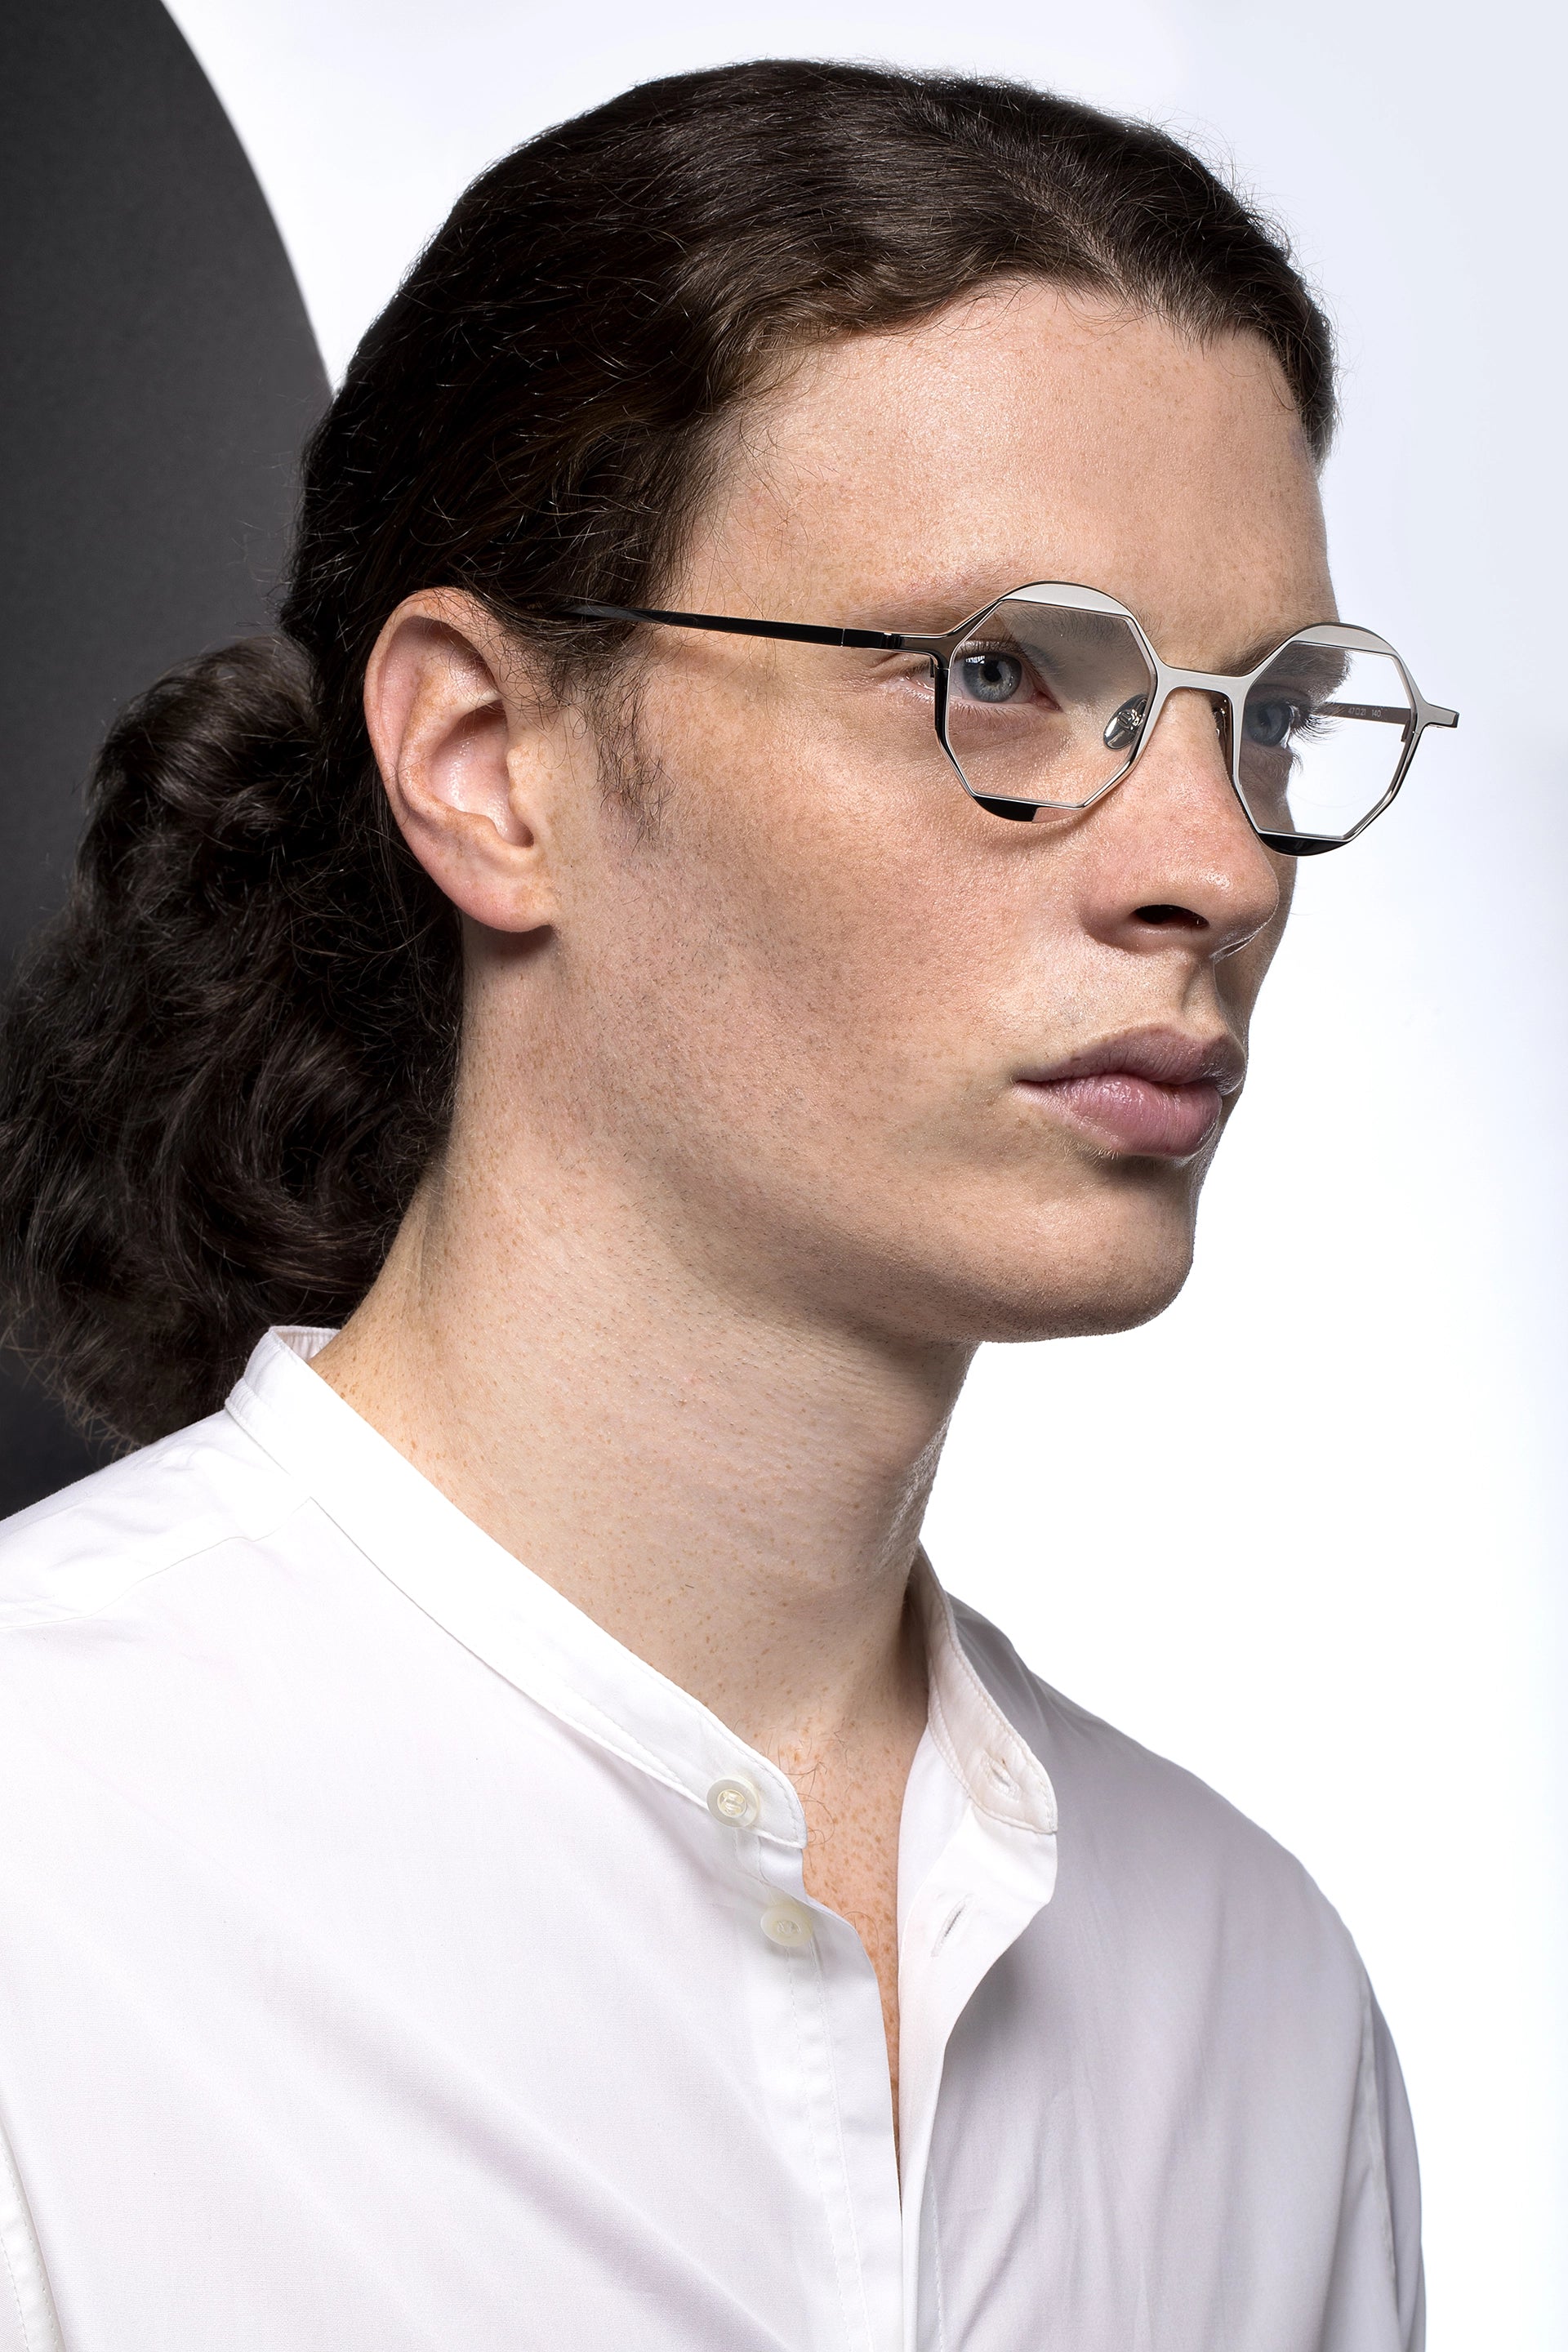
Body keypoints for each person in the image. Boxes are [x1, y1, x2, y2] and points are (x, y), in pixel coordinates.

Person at [0, 60, 1451, 2352]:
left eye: (1263, 718)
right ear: (488, 765)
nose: (1220, 865)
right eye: (1005, 675)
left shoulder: (1252, 2005)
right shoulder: (47, 1859)